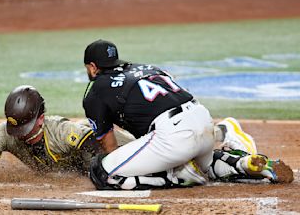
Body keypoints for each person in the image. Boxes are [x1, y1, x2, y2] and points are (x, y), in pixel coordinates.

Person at [82, 39, 293, 190]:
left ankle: (178, 176)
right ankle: (243, 163)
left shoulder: (96, 92)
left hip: (173, 135)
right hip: (202, 119)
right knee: (207, 166)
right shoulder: (144, 67)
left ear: (92, 67)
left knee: (103, 172)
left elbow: (110, 148)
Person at [0, 85, 135, 186]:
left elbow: (92, 142)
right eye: (17, 130)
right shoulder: (5, 132)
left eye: (26, 128)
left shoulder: (61, 131)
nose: (21, 136)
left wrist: (94, 173)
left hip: (117, 143)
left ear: (41, 119)